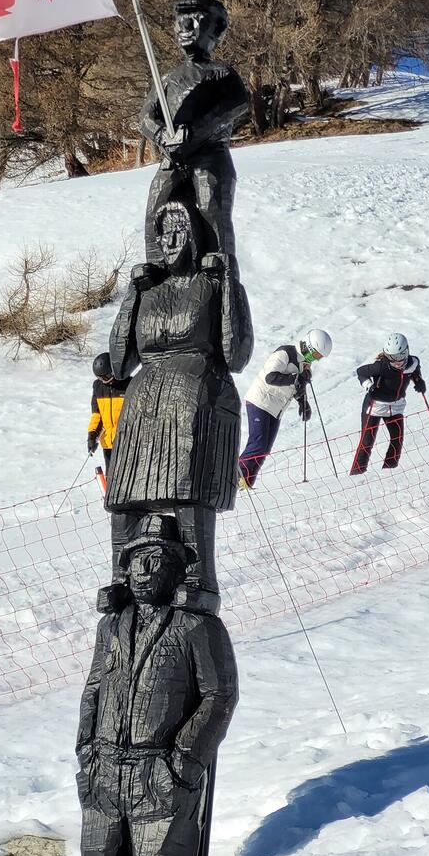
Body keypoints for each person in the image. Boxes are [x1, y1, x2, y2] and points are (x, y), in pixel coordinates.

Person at [76, 513, 238, 856]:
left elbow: (219, 696)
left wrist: (182, 763)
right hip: (104, 772)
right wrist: (86, 750)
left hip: (159, 774)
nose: (144, 572)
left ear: (176, 571)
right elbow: (94, 687)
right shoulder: (110, 626)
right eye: (137, 561)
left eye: (157, 561)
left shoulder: (195, 626)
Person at [105, 200, 253, 603]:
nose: (171, 242)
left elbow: (236, 354)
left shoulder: (210, 283)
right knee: (123, 498)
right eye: (164, 234)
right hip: (144, 400)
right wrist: (133, 294)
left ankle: (200, 580)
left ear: (194, 235)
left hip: (193, 397)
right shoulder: (150, 291)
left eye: (179, 231)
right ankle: (121, 577)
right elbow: (119, 362)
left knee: (190, 493)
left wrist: (227, 282)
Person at [139, 0, 250, 262]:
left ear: (215, 29)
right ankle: (156, 266)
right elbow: (145, 116)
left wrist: (196, 130)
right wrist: (160, 134)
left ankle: (219, 266)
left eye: (195, 19)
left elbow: (237, 103)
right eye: (181, 20)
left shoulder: (221, 73)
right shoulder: (166, 79)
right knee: (156, 207)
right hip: (172, 158)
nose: (185, 26)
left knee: (211, 207)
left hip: (210, 154)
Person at [238, 329, 333, 488]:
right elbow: (270, 377)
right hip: (260, 401)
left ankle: (245, 483)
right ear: (309, 347)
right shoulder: (285, 353)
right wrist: (295, 378)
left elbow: (297, 387)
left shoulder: (304, 364)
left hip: (276, 408)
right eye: (317, 355)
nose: (317, 359)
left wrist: (304, 403)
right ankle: (234, 479)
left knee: (265, 449)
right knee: (258, 444)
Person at [350, 332, 426, 475]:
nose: (396, 361)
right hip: (375, 406)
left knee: (397, 440)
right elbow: (361, 372)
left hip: (396, 406)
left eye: (399, 356)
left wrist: (419, 381)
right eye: (391, 357)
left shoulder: (413, 362)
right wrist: (368, 385)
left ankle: (388, 474)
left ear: (407, 352)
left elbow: (415, 371)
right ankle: (356, 475)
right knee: (367, 443)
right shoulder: (381, 366)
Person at [87, 352, 129, 471]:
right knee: (111, 476)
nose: (104, 381)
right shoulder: (98, 387)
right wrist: (92, 436)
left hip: (125, 442)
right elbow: (97, 415)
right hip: (108, 442)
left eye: (106, 377)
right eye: (100, 378)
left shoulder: (128, 384)